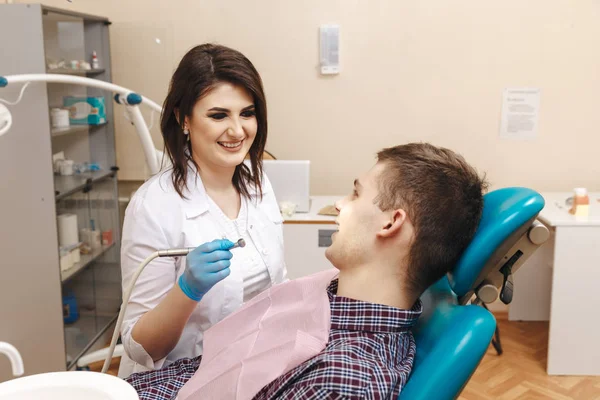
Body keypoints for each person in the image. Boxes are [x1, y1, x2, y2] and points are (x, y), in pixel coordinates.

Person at [123, 142, 488, 399]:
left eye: (355, 194)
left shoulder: (344, 381)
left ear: (391, 223)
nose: (338, 206)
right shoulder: (335, 299)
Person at [118, 43, 288, 377]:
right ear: (184, 119)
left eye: (247, 113)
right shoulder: (154, 206)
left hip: (245, 367)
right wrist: (186, 291)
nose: (237, 131)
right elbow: (142, 348)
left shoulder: (258, 183)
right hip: (179, 379)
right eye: (218, 115)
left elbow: (278, 284)